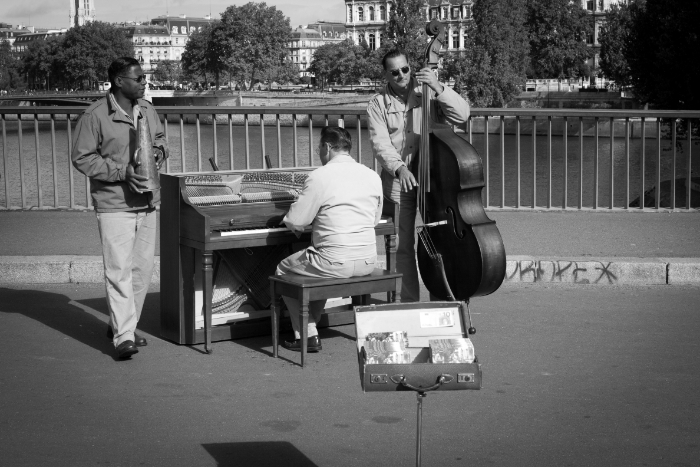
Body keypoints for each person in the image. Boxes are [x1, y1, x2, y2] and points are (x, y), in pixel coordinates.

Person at [72, 57, 168, 359]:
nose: (144, 82)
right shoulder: (95, 116)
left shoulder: (149, 111)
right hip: (114, 204)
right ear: (118, 82)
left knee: (142, 271)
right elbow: (82, 158)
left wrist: (157, 153)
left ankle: (123, 324)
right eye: (138, 78)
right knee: (118, 270)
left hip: (148, 201)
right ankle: (123, 337)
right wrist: (122, 172)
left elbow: (163, 141)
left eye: (143, 77)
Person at [367, 49, 470, 302]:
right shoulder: (377, 103)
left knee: (442, 241)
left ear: (410, 67)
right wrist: (399, 168)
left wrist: (437, 86)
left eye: (405, 69)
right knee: (403, 246)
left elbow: (463, 115)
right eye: (394, 72)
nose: (401, 75)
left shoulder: (428, 92)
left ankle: (443, 300)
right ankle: (409, 304)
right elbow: (381, 145)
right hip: (398, 180)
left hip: (434, 180)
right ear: (386, 74)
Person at [276, 126, 383, 352]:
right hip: (367, 261)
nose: (319, 153)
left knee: (284, 271)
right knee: (317, 267)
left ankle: (307, 334)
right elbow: (374, 220)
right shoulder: (372, 175)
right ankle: (310, 328)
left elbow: (296, 221)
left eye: (318, 148)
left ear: (326, 147)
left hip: (334, 262)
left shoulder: (319, 176)